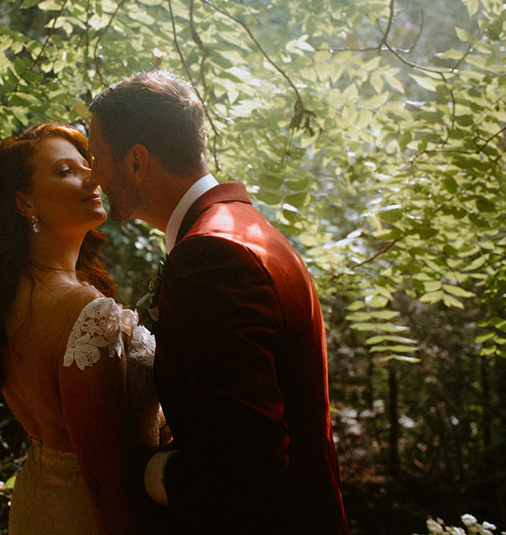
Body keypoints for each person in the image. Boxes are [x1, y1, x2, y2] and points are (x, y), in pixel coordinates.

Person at [87, 70, 350, 535]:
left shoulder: (211, 257)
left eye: (97, 157)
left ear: (137, 161)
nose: (93, 175)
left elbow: (244, 468)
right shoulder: (242, 228)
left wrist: (147, 470)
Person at [0, 123, 161, 535]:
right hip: (92, 516)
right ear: (25, 203)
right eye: (66, 171)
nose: (93, 176)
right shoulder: (84, 308)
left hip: (37, 502)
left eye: (88, 164)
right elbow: (103, 475)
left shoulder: (10, 297)